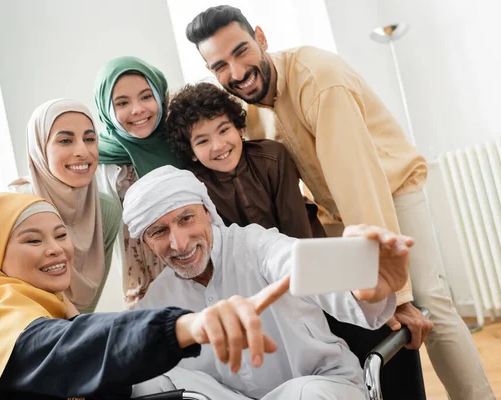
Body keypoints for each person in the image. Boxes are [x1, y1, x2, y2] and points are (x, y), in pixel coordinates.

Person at [185, 6, 493, 398]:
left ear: (261, 38)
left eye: (241, 51)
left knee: (429, 306)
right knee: (358, 312)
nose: (236, 71)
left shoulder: (319, 79)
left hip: (391, 190)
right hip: (334, 210)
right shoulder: (250, 104)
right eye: (219, 66)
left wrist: (395, 293)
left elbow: (360, 183)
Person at [0, 192, 291, 399]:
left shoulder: (48, 307)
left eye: (60, 234)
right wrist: (187, 327)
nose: (56, 250)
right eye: (33, 240)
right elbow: (77, 345)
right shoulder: (0, 319)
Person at [124, 166, 412, 400]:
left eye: (186, 219)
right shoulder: (158, 298)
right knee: (144, 382)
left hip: (318, 387)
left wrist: (363, 287)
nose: (179, 243)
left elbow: (296, 263)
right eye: (159, 232)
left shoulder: (258, 246)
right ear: (146, 243)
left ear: (207, 213)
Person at [0, 99, 121, 331]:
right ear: (39, 147)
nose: (82, 151)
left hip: (45, 315)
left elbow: (90, 288)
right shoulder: (19, 203)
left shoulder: (106, 209)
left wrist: (75, 328)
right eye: (65, 140)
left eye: (89, 139)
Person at [165, 81, 324, 239]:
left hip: (304, 251)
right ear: (191, 152)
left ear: (240, 128)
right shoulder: (195, 187)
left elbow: (297, 228)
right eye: (203, 141)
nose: (219, 145)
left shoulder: (273, 158)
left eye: (224, 130)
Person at [94, 56, 185, 308]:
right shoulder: (98, 161)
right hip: (143, 287)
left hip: (200, 269)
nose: (137, 110)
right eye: (122, 103)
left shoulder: (184, 142)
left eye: (146, 96)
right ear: (106, 108)